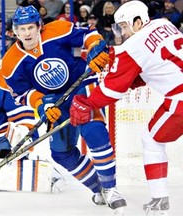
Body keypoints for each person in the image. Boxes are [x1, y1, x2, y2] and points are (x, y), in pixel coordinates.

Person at [0, 5, 127, 212]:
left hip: (81, 87)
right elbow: (22, 94)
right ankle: (98, 188)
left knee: (93, 132)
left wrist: (95, 48)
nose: (27, 33)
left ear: (39, 26)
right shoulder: (10, 62)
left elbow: (89, 35)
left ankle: (111, 188)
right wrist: (42, 105)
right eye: (21, 29)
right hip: (54, 103)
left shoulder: (57, 30)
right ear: (14, 31)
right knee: (62, 153)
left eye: (31, 28)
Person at [69, 1, 183, 214]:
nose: (121, 32)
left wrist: (88, 103)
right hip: (178, 95)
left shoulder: (133, 46)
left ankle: (160, 202)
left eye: (123, 26)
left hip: (180, 100)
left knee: (151, 140)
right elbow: (159, 61)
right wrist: (125, 65)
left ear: (138, 22)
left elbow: (113, 89)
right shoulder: (164, 23)